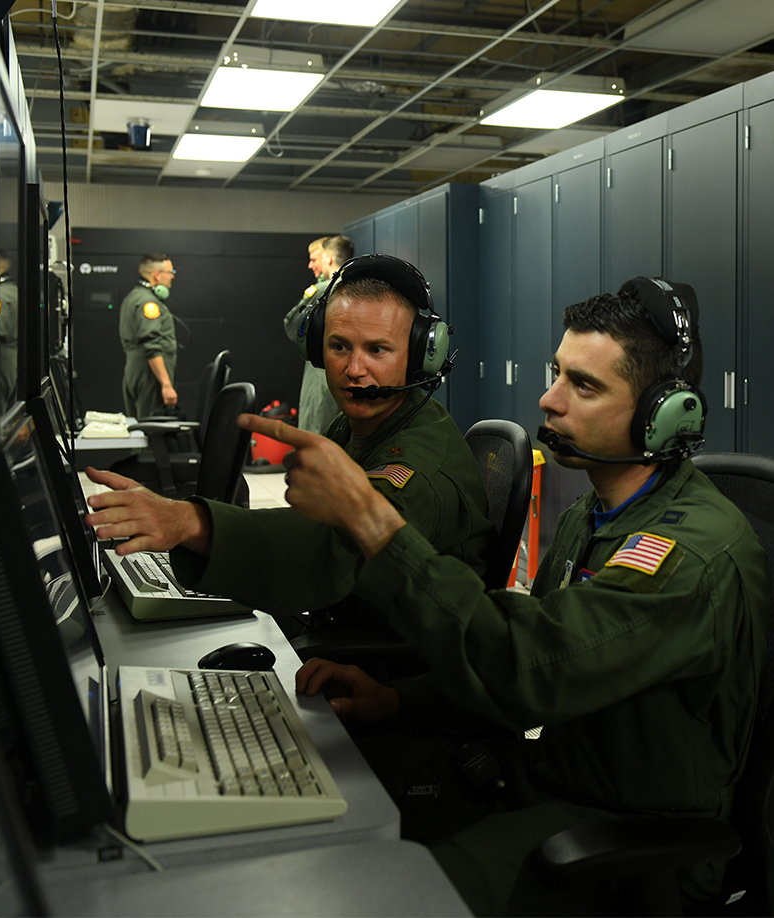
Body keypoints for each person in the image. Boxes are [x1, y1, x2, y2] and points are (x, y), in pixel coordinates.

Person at [237, 278, 772, 915]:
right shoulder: (591, 517)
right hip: (542, 779)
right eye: (557, 373)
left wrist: (374, 523)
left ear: (664, 417)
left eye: (585, 385)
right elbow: (520, 651)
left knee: (389, 896)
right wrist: (397, 698)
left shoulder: (690, 555)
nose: (549, 400)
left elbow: (528, 666)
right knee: (329, 794)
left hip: (622, 842)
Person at [86, 254, 493, 632]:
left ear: (423, 355)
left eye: (377, 350)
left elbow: (333, 552)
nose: (354, 369)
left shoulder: (417, 464)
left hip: (396, 669)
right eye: (338, 346)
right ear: (315, 347)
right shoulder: (356, 427)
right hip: (346, 622)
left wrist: (191, 523)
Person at [283, 235, 355, 434]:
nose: (311, 265)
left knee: (315, 436)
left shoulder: (322, 290)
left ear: (328, 258)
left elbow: (291, 327)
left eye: (315, 259)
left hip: (322, 376)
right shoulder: (361, 288)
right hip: (353, 376)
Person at [119, 253, 178, 419]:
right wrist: (166, 384)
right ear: (157, 275)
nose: (172, 277)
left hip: (134, 372)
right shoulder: (148, 303)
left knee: (138, 430)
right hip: (150, 375)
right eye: (170, 272)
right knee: (151, 433)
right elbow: (151, 344)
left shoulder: (132, 298)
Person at [0, 252, 18, 417]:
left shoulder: (1, 293)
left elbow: (1, 330)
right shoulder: (15, 289)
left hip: (3, 354)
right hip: (16, 355)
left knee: (0, 409)